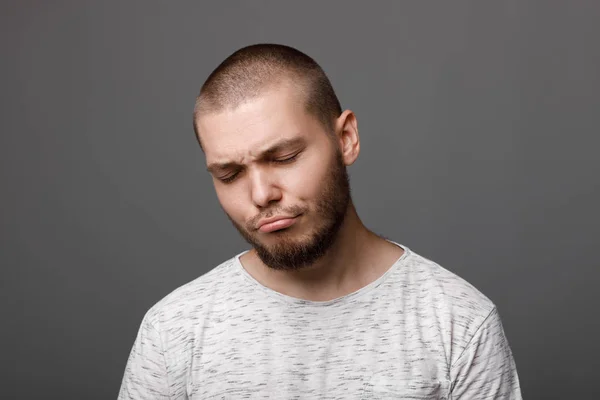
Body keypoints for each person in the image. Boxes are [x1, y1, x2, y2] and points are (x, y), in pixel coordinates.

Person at [118, 43, 522, 399]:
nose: (260, 195)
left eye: (284, 158)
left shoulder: (458, 324)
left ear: (345, 138)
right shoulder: (173, 331)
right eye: (230, 175)